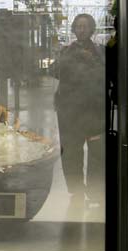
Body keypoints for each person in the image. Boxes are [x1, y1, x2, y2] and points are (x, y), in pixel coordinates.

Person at [50, 14, 105, 217]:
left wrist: (93, 63)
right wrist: (67, 60)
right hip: (70, 113)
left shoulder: (100, 53)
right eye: (78, 26)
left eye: (86, 26)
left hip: (93, 112)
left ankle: (95, 191)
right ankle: (76, 190)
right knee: (71, 153)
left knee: (97, 155)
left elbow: (107, 75)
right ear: (74, 29)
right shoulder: (66, 51)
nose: (82, 30)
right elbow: (53, 71)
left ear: (92, 30)